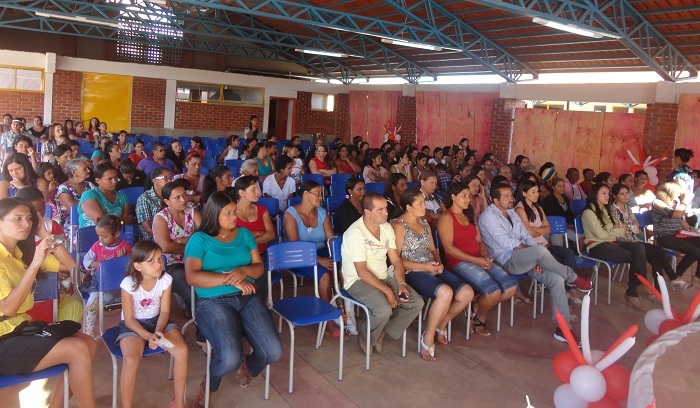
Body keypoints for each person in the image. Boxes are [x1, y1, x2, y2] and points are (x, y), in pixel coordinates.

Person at [185, 191, 282, 406]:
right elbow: (192, 277)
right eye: (227, 213)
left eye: (234, 212)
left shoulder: (244, 235)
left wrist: (242, 271)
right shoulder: (199, 239)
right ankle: (210, 383)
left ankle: (247, 364)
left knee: (272, 351)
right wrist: (230, 279)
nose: (233, 217)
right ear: (214, 214)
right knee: (229, 358)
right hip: (213, 301)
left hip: (247, 296)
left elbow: (258, 268)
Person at [0, 197, 97, 407]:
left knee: (89, 344)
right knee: (77, 350)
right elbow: (8, 308)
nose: (25, 224)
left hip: (19, 330)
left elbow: (69, 264)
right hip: (3, 338)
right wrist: (35, 265)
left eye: (28, 218)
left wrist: (43, 233)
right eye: (17, 218)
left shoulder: (20, 253)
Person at [479, 184, 592, 342]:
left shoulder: (512, 213)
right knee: (540, 251)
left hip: (525, 257)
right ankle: (572, 277)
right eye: (506, 196)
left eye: (511, 195)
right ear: (496, 201)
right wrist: (535, 254)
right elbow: (505, 242)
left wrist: (535, 257)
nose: (511, 198)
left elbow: (526, 235)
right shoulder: (488, 216)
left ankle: (563, 328)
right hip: (507, 260)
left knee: (556, 280)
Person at [393, 188, 473, 359]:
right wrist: (425, 267)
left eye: (424, 202)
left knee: (467, 293)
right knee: (446, 293)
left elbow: (432, 249)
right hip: (412, 270)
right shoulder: (398, 225)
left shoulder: (423, 222)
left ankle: (441, 325)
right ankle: (428, 336)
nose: (425, 206)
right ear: (408, 207)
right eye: (420, 203)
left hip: (431, 266)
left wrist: (438, 262)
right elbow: (396, 260)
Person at [341, 192, 424, 354]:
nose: (386, 213)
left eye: (385, 208)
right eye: (380, 210)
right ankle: (367, 335)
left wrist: (401, 284)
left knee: (415, 303)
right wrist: (388, 292)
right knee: (384, 310)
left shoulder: (386, 228)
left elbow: (396, 261)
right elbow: (362, 271)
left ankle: (380, 331)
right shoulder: (355, 233)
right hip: (357, 281)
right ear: (367, 212)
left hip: (383, 276)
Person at [116, 241, 188, 408]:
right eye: (151, 261)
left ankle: (178, 403)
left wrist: (157, 331)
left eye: (160, 259)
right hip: (133, 326)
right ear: (138, 266)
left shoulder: (165, 280)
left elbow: (164, 312)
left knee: (182, 351)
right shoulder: (128, 284)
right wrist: (148, 336)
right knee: (132, 360)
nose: (158, 264)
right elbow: (129, 320)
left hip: (158, 322)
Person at [283, 180, 343, 337]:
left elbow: (330, 238)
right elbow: (295, 246)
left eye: (321, 193)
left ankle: (344, 312)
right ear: (305, 194)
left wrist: (335, 254)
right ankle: (328, 322)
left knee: (343, 270)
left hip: (322, 252)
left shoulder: (322, 213)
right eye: (317, 193)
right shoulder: (291, 215)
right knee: (324, 276)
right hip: (300, 256)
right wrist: (318, 260)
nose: (320, 197)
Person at [15, 186, 83, 324]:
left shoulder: (52, 227)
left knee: (71, 309)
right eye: (34, 210)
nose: (39, 213)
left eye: (42, 208)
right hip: (24, 292)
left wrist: (45, 234)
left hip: (53, 285)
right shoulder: (14, 233)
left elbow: (63, 256)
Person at [609, 183, 690, 290]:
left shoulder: (627, 208)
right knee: (658, 251)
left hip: (634, 239)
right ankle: (673, 277)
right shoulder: (612, 209)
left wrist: (629, 226)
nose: (625, 196)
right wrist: (630, 226)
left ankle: (659, 289)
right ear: (615, 196)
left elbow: (635, 227)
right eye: (621, 194)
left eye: (627, 193)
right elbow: (620, 229)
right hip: (621, 241)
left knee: (656, 259)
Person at [582, 183, 648, 310]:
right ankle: (634, 290)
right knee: (634, 256)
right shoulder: (588, 213)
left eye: (608, 193)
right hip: (597, 246)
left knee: (639, 247)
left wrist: (612, 230)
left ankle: (637, 285)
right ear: (595, 195)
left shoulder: (605, 211)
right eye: (604, 193)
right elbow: (601, 235)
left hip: (610, 242)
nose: (608, 196)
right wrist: (616, 230)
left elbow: (612, 231)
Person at [153, 180, 201, 318]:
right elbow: (166, 247)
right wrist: (192, 242)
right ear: (167, 201)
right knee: (191, 289)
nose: (183, 199)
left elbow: (205, 236)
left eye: (184, 195)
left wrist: (179, 241)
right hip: (171, 265)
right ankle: (201, 327)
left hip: (194, 260)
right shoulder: (161, 218)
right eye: (177, 197)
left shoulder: (192, 212)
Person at [80, 215, 133, 337]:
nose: (101, 239)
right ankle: (89, 330)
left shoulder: (125, 248)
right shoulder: (97, 246)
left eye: (104, 236)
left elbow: (131, 267)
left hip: (119, 284)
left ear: (116, 234)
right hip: (99, 282)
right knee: (91, 302)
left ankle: (128, 328)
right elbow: (86, 261)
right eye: (99, 236)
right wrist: (100, 264)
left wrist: (122, 259)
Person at [651, 181, 700, 288]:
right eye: (677, 192)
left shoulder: (675, 201)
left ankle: (692, 275)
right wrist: (685, 201)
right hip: (664, 236)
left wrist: (690, 229)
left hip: (677, 234)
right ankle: (679, 274)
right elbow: (677, 215)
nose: (678, 195)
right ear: (669, 191)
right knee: (696, 251)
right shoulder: (658, 202)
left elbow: (681, 219)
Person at [78, 163, 133, 228]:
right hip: (90, 234)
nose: (114, 181)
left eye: (115, 177)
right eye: (109, 179)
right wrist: (124, 220)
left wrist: (122, 221)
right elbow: (102, 222)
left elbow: (124, 224)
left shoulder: (122, 197)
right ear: (97, 180)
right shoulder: (89, 195)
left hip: (115, 234)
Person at [233, 176, 276, 256]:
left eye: (258, 189)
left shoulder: (262, 210)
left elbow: (271, 235)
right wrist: (258, 233)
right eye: (253, 189)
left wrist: (248, 240)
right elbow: (233, 240)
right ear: (242, 193)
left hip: (262, 255)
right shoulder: (231, 212)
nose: (258, 193)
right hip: (239, 257)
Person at [135, 168, 171, 240]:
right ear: (154, 181)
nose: (170, 180)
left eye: (170, 177)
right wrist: (166, 239)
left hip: (173, 235)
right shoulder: (144, 199)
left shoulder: (171, 195)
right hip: (153, 239)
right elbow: (148, 229)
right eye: (165, 178)